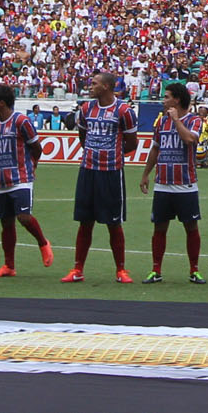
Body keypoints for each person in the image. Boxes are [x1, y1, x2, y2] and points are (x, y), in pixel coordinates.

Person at [63, 72, 136, 284]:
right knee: (85, 222)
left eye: (94, 83)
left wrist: (111, 154)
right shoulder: (86, 109)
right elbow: (83, 137)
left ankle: (121, 270)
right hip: (88, 170)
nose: (90, 86)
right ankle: (77, 269)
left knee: (114, 223)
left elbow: (131, 143)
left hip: (111, 172)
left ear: (106, 86)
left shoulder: (124, 111)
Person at [0, 83, 53, 278]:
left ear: (2, 103)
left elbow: (36, 148)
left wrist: (33, 166)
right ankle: (9, 266)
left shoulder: (21, 121)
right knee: (6, 223)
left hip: (21, 177)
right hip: (0, 179)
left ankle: (42, 243)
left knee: (23, 217)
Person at [139, 81, 204, 283]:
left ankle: (194, 270)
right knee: (159, 228)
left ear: (176, 99)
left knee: (191, 227)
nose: (163, 100)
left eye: (167, 96)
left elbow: (189, 140)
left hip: (185, 184)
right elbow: (156, 149)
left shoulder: (194, 121)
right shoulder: (161, 122)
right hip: (163, 184)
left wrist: (177, 121)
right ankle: (156, 270)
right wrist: (145, 174)